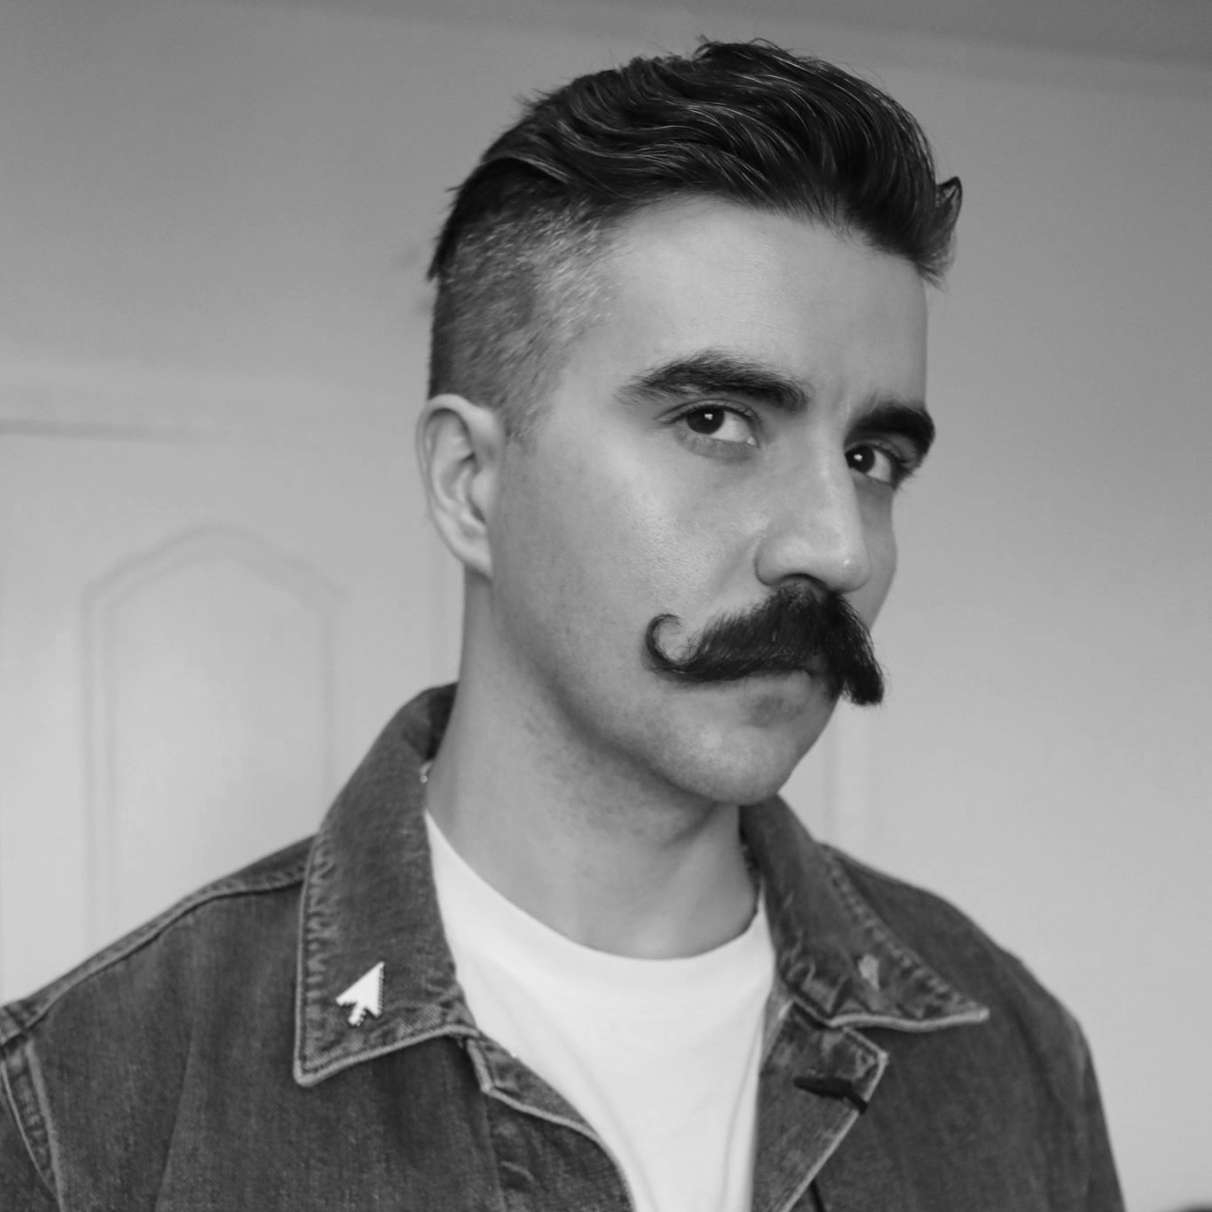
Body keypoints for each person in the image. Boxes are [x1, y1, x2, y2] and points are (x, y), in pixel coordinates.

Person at [0, 38, 1123, 1211]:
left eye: (873, 456)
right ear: (469, 483)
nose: (838, 549)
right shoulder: (81, 1120)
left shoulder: (1012, 1056)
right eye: (716, 420)